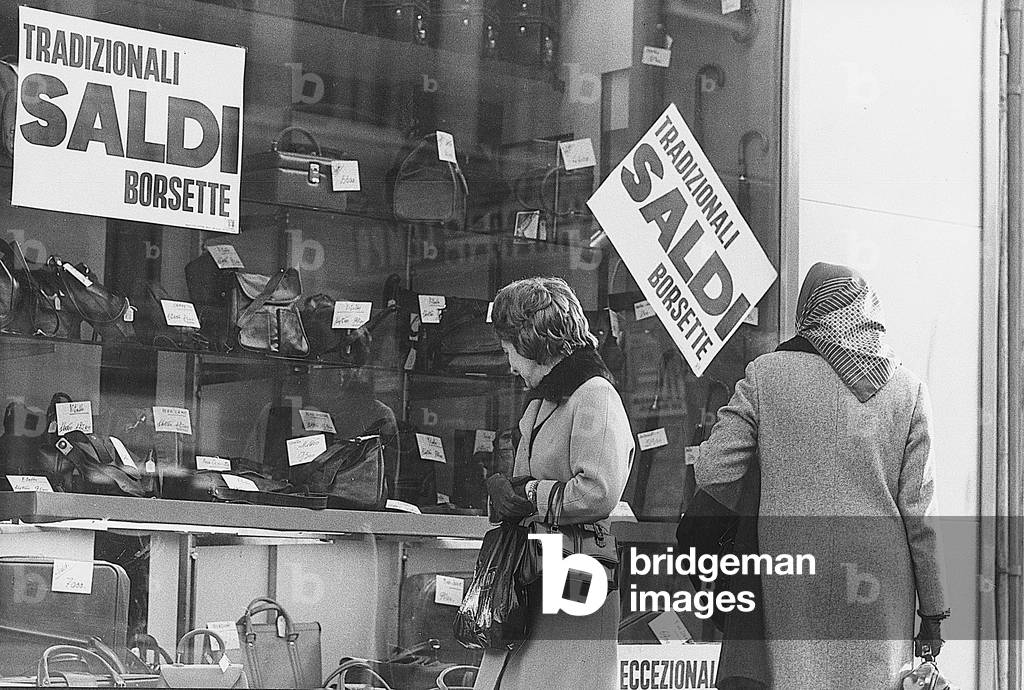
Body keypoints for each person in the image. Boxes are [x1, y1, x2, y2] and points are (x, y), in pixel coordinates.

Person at [694, 262, 948, 689]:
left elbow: (714, 470)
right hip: (878, 582)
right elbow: (922, 518)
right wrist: (934, 611)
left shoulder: (765, 375)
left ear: (808, 311)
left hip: (790, 574)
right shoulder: (907, 388)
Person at [474, 276, 635, 689]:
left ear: (531, 341)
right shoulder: (550, 397)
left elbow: (598, 491)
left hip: (577, 567)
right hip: (541, 564)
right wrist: (506, 492)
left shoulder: (594, 396)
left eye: (509, 350)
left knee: (564, 675)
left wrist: (526, 493)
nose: (508, 364)